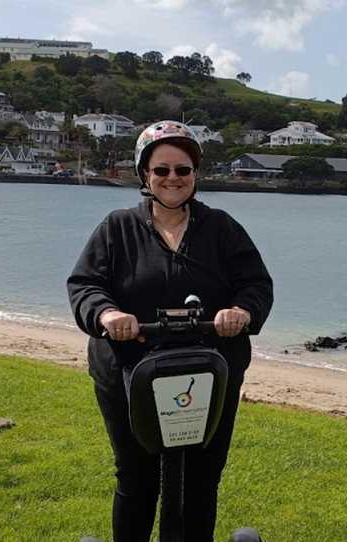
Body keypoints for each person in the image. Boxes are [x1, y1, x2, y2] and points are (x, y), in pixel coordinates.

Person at [67, 120, 274, 542]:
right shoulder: (117, 228)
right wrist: (107, 315)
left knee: (201, 474)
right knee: (137, 473)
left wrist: (240, 311)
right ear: (145, 175)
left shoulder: (222, 228)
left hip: (208, 369)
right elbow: (85, 284)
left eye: (183, 170)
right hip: (128, 370)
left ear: (195, 175)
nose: (172, 179)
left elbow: (257, 284)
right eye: (161, 170)